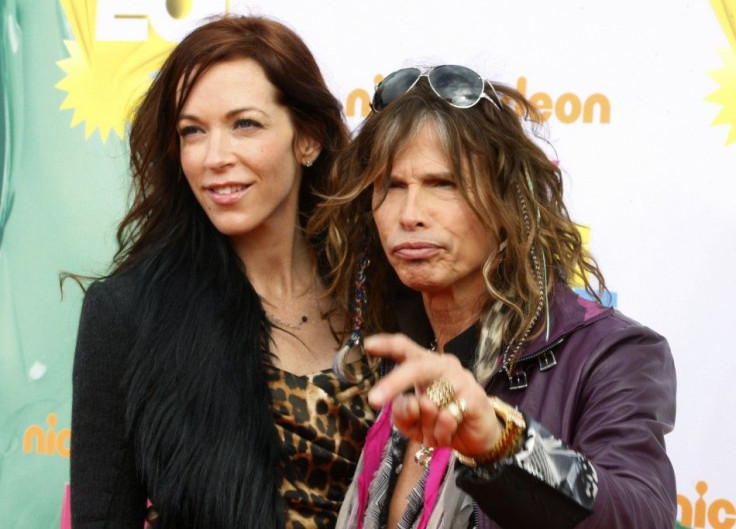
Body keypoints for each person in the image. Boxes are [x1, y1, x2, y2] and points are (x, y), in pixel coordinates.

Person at [312, 65, 677, 528]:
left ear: (508, 202)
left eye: (443, 184)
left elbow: (644, 516)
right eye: (391, 186)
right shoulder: (384, 349)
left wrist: (504, 445)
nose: (409, 214)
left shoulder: (609, 353)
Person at [70, 15, 378, 528]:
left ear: (308, 139)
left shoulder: (382, 294)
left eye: (245, 124)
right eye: (193, 131)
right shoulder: (128, 313)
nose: (215, 157)